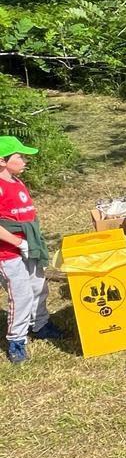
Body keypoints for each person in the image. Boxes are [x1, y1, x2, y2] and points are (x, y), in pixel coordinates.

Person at [0, 136, 59, 363]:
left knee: (38, 287)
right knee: (21, 295)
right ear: (2, 161)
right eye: (20, 156)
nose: (25, 160)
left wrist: (30, 241)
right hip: (8, 253)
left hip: (30, 247)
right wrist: (18, 243)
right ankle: (16, 340)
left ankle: (40, 324)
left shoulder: (16, 181)